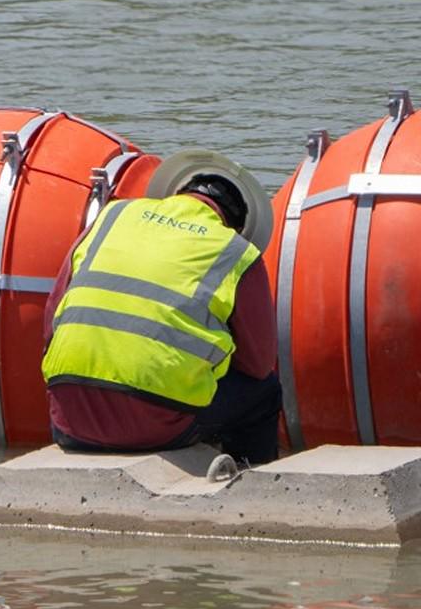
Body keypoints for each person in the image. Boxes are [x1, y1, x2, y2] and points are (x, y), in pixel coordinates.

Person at [41, 149, 282, 465]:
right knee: (263, 392)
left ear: (176, 194)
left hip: (69, 419)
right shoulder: (236, 252)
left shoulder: (111, 217)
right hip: (156, 428)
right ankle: (246, 491)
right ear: (235, 224)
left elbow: (51, 322)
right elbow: (259, 363)